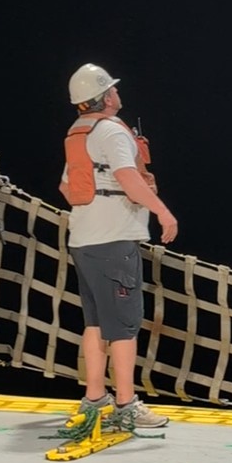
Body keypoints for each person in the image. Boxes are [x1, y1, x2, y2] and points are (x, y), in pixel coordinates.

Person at [60, 63, 178, 434]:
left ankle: (95, 399)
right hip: (114, 240)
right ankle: (126, 404)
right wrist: (162, 212)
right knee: (125, 326)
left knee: (95, 322)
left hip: (83, 239)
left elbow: (66, 186)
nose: (116, 93)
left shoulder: (79, 132)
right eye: (111, 88)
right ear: (105, 96)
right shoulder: (112, 131)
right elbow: (127, 177)